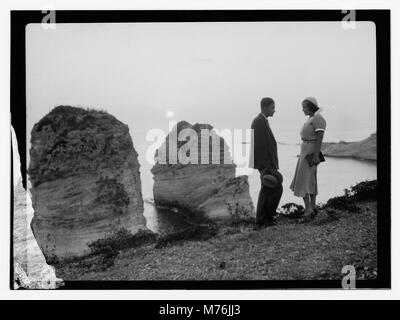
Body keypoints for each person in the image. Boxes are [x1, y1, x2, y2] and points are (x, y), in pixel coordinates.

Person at [290, 97, 326, 221]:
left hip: (310, 152)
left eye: (304, 107)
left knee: (304, 180)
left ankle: (308, 210)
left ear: (310, 107)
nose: (302, 109)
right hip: (305, 151)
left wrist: (316, 155)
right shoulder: (311, 119)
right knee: (309, 180)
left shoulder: (318, 119)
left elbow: (320, 138)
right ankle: (313, 207)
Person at [249, 97, 283, 227]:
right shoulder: (259, 121)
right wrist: (267, 167)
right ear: (265, 107)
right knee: (275, 188)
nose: (274, 110)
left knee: (267, 189)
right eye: (272, 107)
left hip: (267, 163)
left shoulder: (262, 120)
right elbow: (259, 146)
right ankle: (264, 219)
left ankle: (263, 220)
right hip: (265, 164)